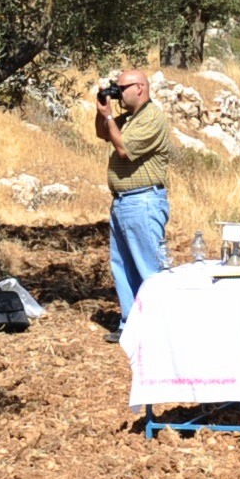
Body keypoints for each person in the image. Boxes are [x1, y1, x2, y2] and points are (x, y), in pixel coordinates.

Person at [94, 67, 173, 327]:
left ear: (139, 88)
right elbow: (103, 133)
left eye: (122, 88)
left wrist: (109, 118)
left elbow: (124, 148)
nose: (119, 94)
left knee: (148, 267)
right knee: (122, 266)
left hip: (143, 201)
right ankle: (131, 324)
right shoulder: (128, 118)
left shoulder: (152, 118)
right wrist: (102, 111)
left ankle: (158, 326)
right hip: (123, 202)